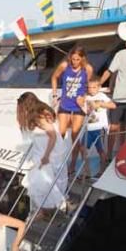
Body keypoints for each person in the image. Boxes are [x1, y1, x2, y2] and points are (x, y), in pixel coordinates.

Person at [16, 92, 68, 215]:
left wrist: (46, 156)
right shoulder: (40, 111)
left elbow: (53, 135)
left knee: (43, 179)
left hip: (49, 151)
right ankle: (49, 207)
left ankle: (58, 204)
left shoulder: (40, 115)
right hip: (43, 148)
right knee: (42, 179)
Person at [50, 45, 93, 176]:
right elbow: (54, 77)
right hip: (65, 104)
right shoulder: (64, 66)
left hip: (78, 106)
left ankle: (73, 165)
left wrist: (84, 97)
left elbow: (88, 86)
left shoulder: (87, 69)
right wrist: (54, 94)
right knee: (61, 133)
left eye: (77, 59)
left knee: (75, 135)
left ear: (82, 59)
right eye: (73, 59)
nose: (74, 62)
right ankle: (57, 161)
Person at [83, 76, 115, 175]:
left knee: (100, 150)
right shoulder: (86, 97)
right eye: (89, 87)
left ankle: (102, 171)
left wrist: (100, 104)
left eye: (93, 87)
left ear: (98, 87)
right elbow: (86, 111)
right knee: (82, 147)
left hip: (99, 127)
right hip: (89, 128)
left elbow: (113, 105)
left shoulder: (102, 96)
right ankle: (87, 171)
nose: (91, 89)